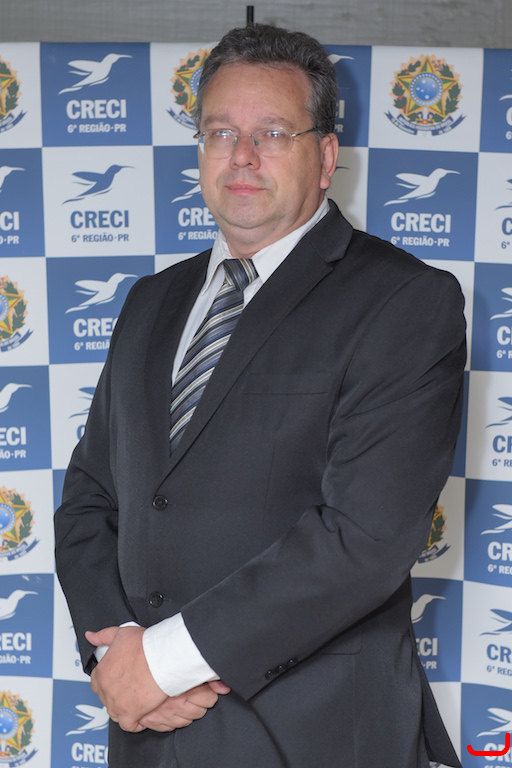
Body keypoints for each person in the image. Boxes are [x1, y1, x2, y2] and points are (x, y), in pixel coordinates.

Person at [55, 23, 465, 768]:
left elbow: (365, 539)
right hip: (148, 733)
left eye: (272, 133)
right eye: (220, 132)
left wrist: (165, 663)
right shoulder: (150, 301)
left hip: (314, 736)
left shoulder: (404, 301)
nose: (241, 155)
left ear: (326, 157)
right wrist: (120, 656)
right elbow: (90, 497)